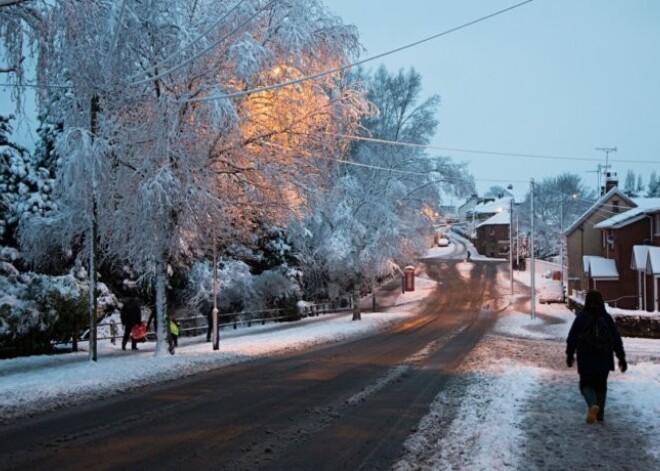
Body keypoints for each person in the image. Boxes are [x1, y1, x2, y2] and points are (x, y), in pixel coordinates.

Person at [566, 290, 627, 424]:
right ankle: (600, 415)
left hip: (586, 358)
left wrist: (570, 354)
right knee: (601, 386)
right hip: (604, 358)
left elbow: (572, 337)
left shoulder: (582, 317)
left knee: (585, 384)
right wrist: (621, 357)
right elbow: (616, 339)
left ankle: (592, 405)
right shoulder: (606, 318)